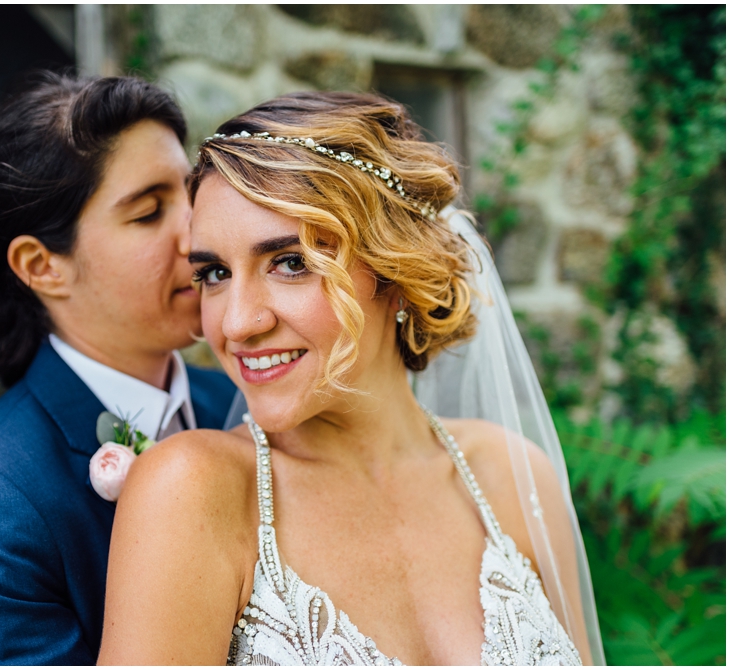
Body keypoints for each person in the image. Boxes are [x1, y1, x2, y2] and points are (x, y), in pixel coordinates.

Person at [98, 92, 605, 665]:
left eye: (291, 263)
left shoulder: (514, 478)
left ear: (395, 271)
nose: (237, 323)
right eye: (214, 273)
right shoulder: (194, 490)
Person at [0, 72, 237, 664]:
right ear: (43, 265)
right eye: (148, 212)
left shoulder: (245, 407)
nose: (198, 234)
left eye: (189, 195)